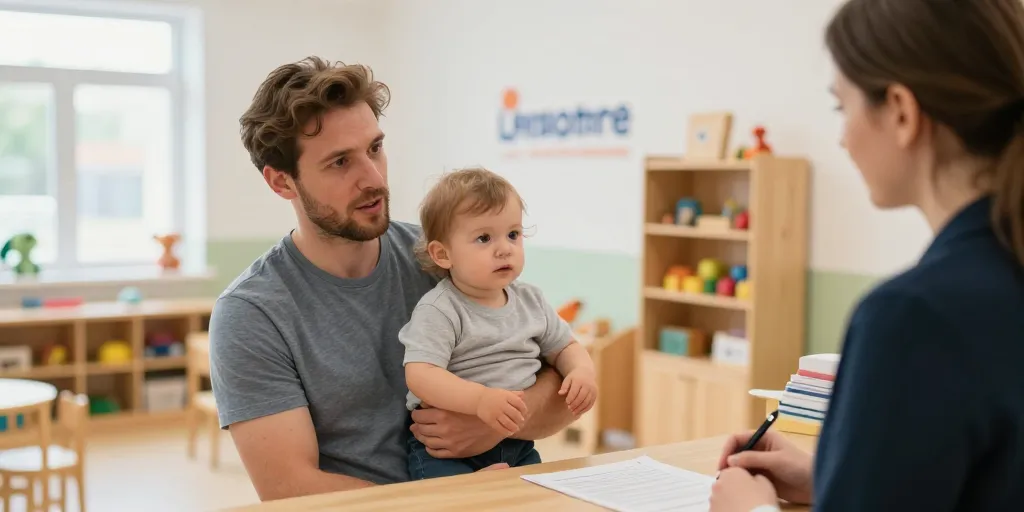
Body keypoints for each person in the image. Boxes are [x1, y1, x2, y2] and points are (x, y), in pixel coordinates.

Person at [208, 57, 576, 502]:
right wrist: (446, 501)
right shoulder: (251, 314)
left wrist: (485, 426)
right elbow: (290, 488)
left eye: (375, 148)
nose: (373, 178)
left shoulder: (442, 255)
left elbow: (562, 391)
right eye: (340, 162)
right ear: (282, 182)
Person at [710, 0, 1024, 510]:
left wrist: (749, 509)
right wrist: (833, 478)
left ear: (901, 111)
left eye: (842, 107)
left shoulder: (915, 315)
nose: (842, 137)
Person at [398, 167, 598, 479]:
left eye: (513, 234)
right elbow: (420, 374)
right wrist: (479, 400)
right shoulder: (441, 309)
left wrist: (582, 370)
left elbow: (565, 346)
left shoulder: (531, 301)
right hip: (446, 453)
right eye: (484, 238)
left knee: (536, 498)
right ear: (443, 254)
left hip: (517, 445)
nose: (504, 247)